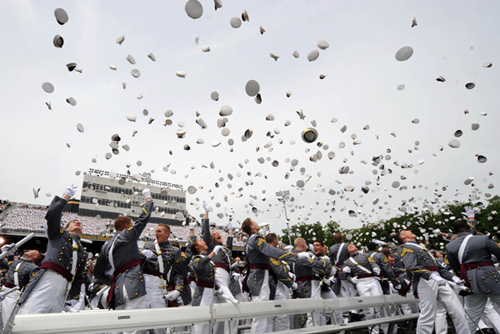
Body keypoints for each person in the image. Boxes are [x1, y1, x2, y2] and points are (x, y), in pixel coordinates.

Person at [17, 185, 88, 315]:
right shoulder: (58, 235)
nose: (77, 222)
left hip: (65, 286)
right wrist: (65, 197)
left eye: (79, 222)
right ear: (66, 228)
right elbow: (52, 214)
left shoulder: (83, 251)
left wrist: (73, 298)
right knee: (31, 314)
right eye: (73, 222)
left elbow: (78, 277)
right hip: (49, 278)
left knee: (50, 322)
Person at [93, 188, 154, 334]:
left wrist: (112, 281)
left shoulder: (106, 245)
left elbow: (98, 273)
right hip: (132, 284)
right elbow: (143, 219)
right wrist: (148, 200)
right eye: (131, 224)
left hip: (118, 288)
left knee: (119, 326)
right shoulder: (127, 235)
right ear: (127, 226)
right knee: (135, 326)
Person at [396, 229, 470, 334]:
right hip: (425, 280)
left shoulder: (420, 247)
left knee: (458, 311)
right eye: (406, 231)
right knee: (427, 315)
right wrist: (430, 275)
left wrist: (452, 277)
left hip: (439, 278)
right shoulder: (405, 247)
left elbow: (438, 267)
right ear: (403, 237)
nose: (410, 230)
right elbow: (411, 266)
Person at [241, 218, 298, 334]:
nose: (257, 223)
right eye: (255, 222)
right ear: (252, 227)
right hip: (259, 276)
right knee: (261, 313)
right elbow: (270, 251)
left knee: (265, 313)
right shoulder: (256, 239)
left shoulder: (250, 240)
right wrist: (293, 256)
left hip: (257, 276)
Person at [445, 219, 500, 334]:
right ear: (468, 227)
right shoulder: (483, 239)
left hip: (470, 280)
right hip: (490, 276)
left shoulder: (450, 246)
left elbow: (456, 268)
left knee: (473, 313)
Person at [141, 223, 186, 334]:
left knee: (159, 322)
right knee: (140, 320)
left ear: (167, 234)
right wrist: (140, 253)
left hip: (159, 286)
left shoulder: (174, 251)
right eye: (156, 231)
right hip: (144, 285)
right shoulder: (148, 246)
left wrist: (178, 289)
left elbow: (179, 273)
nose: (156, 233)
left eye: (159, 231)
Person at [200, 201, 238, 334]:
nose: (218, 234)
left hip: (226, 275)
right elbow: (205, 232)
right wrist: (206, 214)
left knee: (220, 306)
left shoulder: (223, 249)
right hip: (217, 272)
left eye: (218, 233)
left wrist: (231, 233)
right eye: (215, 233)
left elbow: (230, 247)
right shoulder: (211, 247)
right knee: (229, 304)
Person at [343, 243, 384, 334]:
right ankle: (373, 331)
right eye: (348, 246)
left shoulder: (366, 255)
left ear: (356, 247)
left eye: (352, 245)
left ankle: (380, 327)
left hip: (372, 280)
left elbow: (373, 264)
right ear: (347, 251)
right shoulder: (347, 262)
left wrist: (376, 268)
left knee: (378, 304)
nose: (350, 246)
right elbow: (346, 275)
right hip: (360, 282)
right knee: (368, 307)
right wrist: (350, 279)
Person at [1, 250, 40, 330]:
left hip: (13, 294)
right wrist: (4, 251)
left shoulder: (34, 268)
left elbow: (31, 286)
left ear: (35, 256)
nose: (29, 250)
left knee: (8, 322)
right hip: (3, 290)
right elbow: (2, 261)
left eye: (32, 251)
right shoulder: (16, 262)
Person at [265, 233, 295, 331]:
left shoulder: (267, 250)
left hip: (274, 284)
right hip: (274, 284)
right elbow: (278, 270)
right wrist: (291, 283)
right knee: (282, 315)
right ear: (274, 240)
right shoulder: (271, 252)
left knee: (274, 316)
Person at [190, 239, 219, 334]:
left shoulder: (206, 258)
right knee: (201, 321)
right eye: (200, 241)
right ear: (197, 247)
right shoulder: (196, 258)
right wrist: (213, 252)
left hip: (210, 291)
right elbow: (201, 265)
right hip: (202, 292)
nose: (204, 241)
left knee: (209, 321)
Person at [312, 240, 344, 328]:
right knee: (319, 311)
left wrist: (329, 277)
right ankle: (322, 329)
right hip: (315, 285)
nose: (315, 247)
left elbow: (330, 272)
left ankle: (339, 329)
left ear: (323, 247)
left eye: (317, 245)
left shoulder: (327, 258)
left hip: (324, 285)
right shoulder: (311, 258)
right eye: (314, 245)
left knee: (336, 305)